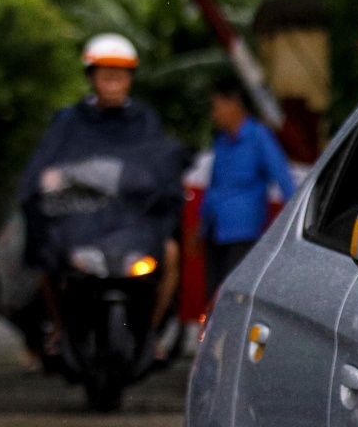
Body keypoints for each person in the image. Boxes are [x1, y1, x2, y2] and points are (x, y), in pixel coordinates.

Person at [18, 33, 187, 352]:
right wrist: (46, 184)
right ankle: (58, 326)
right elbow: (43, 169)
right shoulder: (69, 121)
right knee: (46, 253)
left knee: (171, 253)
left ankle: (152, 332)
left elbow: (160, 169)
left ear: (130, 80)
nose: (113, 84)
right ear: (91, 78)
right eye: (106, 76)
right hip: (81, 225)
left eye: (120, 76)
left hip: (134, 226)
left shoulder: (145, 121)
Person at [198, 74, 297, 302]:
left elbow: (284, 180)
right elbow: (214, 185)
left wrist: (293, 223)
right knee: (213, 295)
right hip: (216, 230)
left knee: (233, 295)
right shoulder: (222, 141)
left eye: (217, 106)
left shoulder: (259, 137)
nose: (214, 114)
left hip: (244, 232)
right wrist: (202, 224)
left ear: (233, 104)